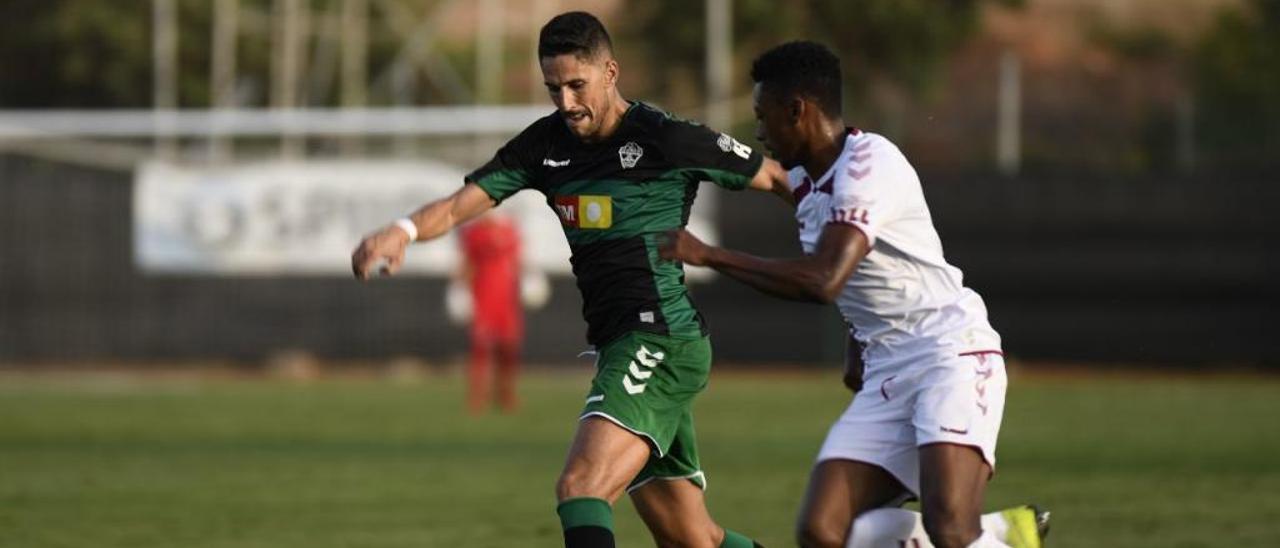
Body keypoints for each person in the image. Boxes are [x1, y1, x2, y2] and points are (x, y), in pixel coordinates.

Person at [352, 11, 792, 548]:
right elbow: (460, 204)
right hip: (620, 344)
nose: (566, 103)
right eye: (553, 88)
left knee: (581, 486)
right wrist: (402, 230)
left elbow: (777, 178)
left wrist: (863, 219)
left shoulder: (667, 138)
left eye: (576, 85)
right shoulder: (543, 145)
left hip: (659, 338)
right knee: (690, 537)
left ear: (610, 72)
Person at [658, 42, 1049, 548]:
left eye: (763, 115)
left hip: (948, 355)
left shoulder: (869, 167)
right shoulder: (805, 178)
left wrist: (710, 255)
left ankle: (990, 537)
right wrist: (858, 338)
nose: (759, 130)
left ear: (797, 110)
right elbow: (857, 269)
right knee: (824, 531)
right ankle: (996, 533)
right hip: (889, 370)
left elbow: (825, 279)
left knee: (952, 526)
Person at [456, 212, 523, 415]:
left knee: (509, 349)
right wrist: (460, 290)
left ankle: (506, 395)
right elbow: (467, 264)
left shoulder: (509, 229)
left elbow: (517, 263)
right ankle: (478, 396)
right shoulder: (473, 232)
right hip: (483, 296)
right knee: (481, 350)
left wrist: (525, 284)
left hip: (506, 298)